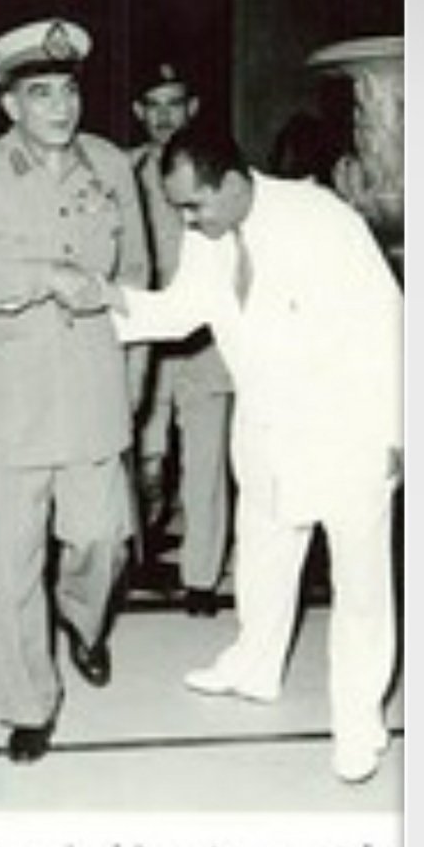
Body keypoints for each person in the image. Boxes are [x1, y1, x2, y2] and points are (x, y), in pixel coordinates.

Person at [99, 119, 402, 784]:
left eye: (194, 205)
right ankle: (253, 667)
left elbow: (389, 325)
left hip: (347, 431)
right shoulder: (209, 235)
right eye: (179, 207)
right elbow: (180, 311)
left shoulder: (323, 221)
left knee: (360, 589)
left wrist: (395, 435)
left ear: (234, 183)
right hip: (263, 430)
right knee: (262, 557)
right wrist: (103, 299)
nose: (186, 220)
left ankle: (359, 721)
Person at [0, 18, 149, 763]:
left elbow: (136, 279)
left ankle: (83, 621)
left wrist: (136, 383)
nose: (60, 107)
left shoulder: (110, 165)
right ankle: (28, 704)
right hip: (5, 402)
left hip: (92, 392)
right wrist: (38, 277)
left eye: (68, 90)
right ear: (10, 105)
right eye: (41, 93)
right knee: (9, 563)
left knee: (101, 540)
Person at [129, 64, 232, 616]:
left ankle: (201, 579)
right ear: (139, 112)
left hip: (203, 340)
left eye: (175, 103)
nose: (164, 116)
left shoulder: (220, 170)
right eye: (154, 104)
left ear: (192, 108)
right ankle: (135, 557)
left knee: (205, 462)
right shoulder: (120, 172)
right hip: (144, 337)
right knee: (141, 458)